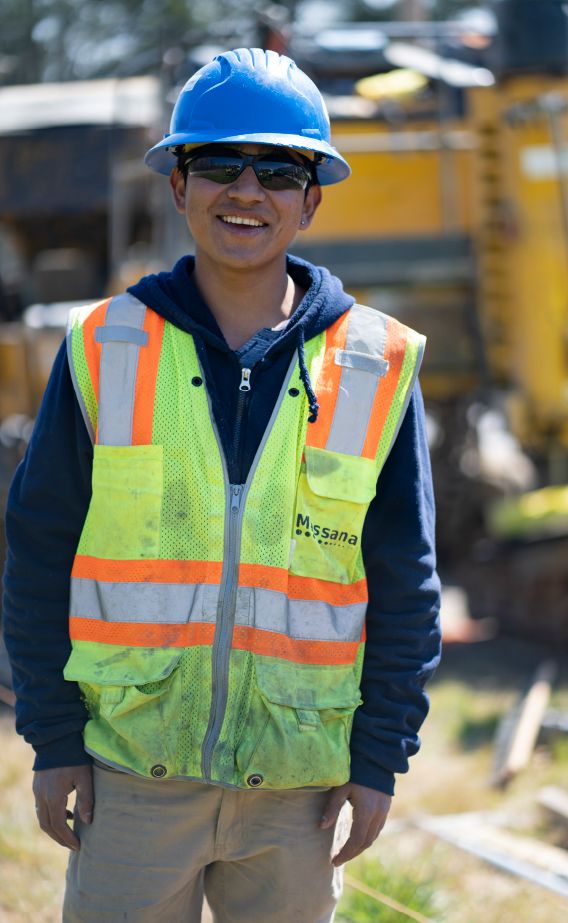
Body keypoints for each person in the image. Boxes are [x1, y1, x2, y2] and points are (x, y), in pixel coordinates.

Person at [3, 47, 441, 923]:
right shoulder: (103, 348)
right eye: (219, 163)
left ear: (312, 196)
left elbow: (406, 580)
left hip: (297, 791)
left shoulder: (377, 363)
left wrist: (379, 756)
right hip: (129, 777)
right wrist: (54, 739)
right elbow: (39, 550)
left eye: (279, 169)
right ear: (177, 185)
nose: (249, 190)